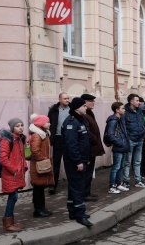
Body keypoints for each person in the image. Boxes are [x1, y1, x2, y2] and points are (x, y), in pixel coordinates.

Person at [61, 97, 93, 227]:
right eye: (84, 106)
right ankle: (80, 214)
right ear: (77, 108)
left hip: (81, 159)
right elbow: (71, 145)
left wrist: (86, 159)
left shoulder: (80, 120)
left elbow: (84, 143)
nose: (86, 108)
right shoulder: (71, 122)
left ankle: (73, 211)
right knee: (78, 187)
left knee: (74, 186)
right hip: (74, 161)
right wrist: (78, 161)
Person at [0, 118, 28, 232]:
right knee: (13, 197)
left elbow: (21, 156)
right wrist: (14, 170)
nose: (20, 127)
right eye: (17, 126)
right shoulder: (7, 140)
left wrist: (24, 166)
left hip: (17, 173)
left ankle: (10, 222)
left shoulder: (20, 139)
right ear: (12, 128)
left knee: (14, 197)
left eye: (21, 125)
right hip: (11, 174)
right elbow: (3, 159)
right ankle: (7, 224)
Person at [80, 94, 105, 202]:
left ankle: (87, 192)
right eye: (91, 101)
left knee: (89, 172)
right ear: (84, 102)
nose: (93, 102)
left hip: (92, 147)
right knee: (86, 172)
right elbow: (86, 131)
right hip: (88, 148)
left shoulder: (89, 113)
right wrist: (94, 138)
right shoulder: (83, 115)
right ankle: (84, 194)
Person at [28, 115, 54, 218]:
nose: (49, 124)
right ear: (41, 124)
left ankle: (42, 208)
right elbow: (35, 151)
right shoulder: (37, 135)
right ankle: (38, 210)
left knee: (40, 188)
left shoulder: (43, 134)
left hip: (41, 164)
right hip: (39, 165)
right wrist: (43, 159)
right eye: (47, 122)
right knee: (38, 188)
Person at [122, 94, 145, 189]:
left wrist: (143, 135)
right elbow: (123, 127)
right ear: (131, 102)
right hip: (130, 140)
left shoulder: (139, 111)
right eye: (137, 101)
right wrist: (127, 137)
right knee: (127, 162)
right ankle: (126, 181)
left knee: (137, 162)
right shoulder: (125, 112)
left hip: (139, 139)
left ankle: (138, 180)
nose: (139, 102)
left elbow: (142, 123)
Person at [47, 92, 70, 195]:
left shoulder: (72, 109)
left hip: (69, 139)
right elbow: (49, 122)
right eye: (65, 98)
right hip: (57, 138)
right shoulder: (54, 110)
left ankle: (72, 184)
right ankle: (53, 185)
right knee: (56, 162)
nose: (67, 100)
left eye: (68, 98)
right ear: (60, 99)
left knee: (69, 162)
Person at [105, 102, 130, 194]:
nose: (124, 110)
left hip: (123, 146)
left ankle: (118, 184)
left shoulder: (120, 119)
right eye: (122, 108)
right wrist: (120, 143)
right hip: (119, 146)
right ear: (117, 110)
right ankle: (112, 186)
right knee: (116, 167)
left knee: (121, 166)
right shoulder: (113, 120)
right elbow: (110, 135)